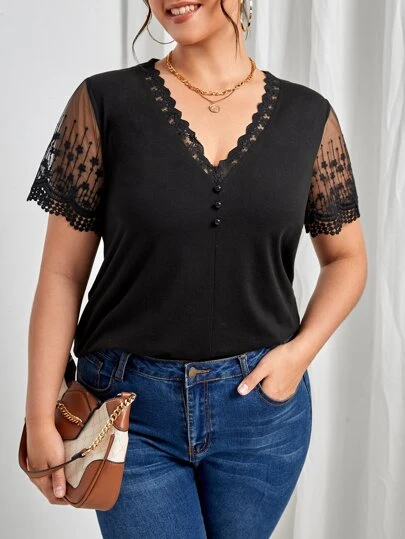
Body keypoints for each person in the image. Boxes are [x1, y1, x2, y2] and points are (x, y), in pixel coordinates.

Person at [23, 0, 367, 537]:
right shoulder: (104, 103)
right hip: (127, 411)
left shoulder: (309, 117)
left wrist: (298, 355)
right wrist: (39, 411)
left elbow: (347, 259)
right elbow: (62, 274)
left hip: (260, 414)